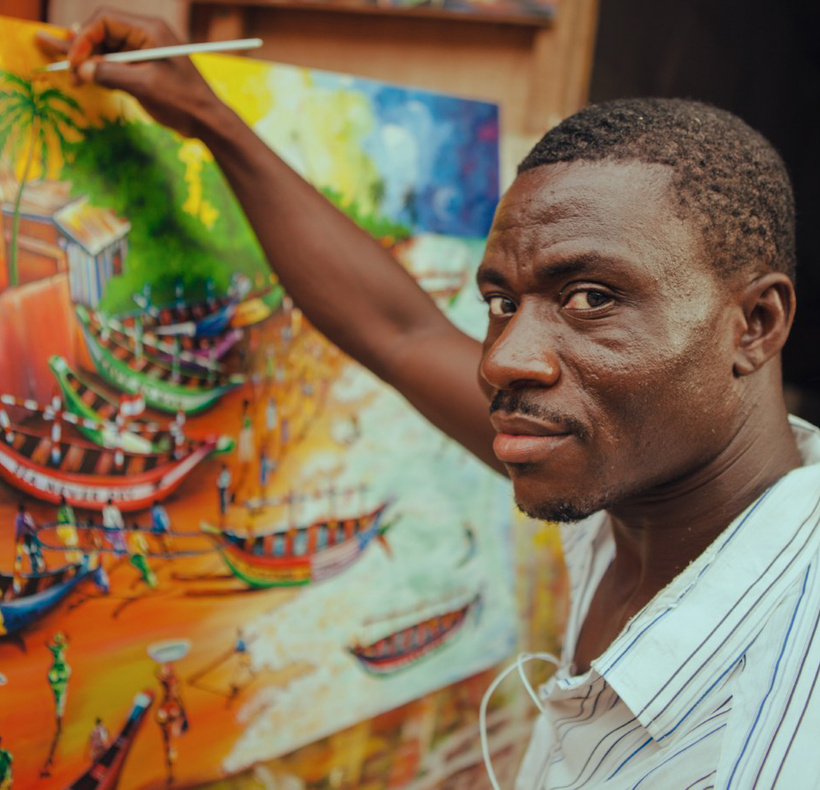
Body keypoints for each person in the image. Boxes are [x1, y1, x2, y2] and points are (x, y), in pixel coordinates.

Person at [37, 14, 819, 787]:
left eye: (589, 298)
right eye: (501, 302)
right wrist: (209, 116)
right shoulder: (639, 484)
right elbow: (399, 332)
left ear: (755, 324)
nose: (502, 359)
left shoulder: (786, 713)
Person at [14, 502, 45, 575]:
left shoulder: (20, 517)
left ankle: (36, 570)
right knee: (35, 552)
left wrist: (17, 537)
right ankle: (38, 569)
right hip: (30, 536)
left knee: (32, 553)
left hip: (27, 537)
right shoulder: (25, 516)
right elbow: (32, 525)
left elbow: (18, 529)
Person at [56, 494, 82, 564]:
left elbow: (63, 519)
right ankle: (75, 560)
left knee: (71, 545)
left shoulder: (64, 509)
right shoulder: (67, 508)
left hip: (68, 529)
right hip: (69, 529)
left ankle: (75, 560)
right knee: (71, 545)